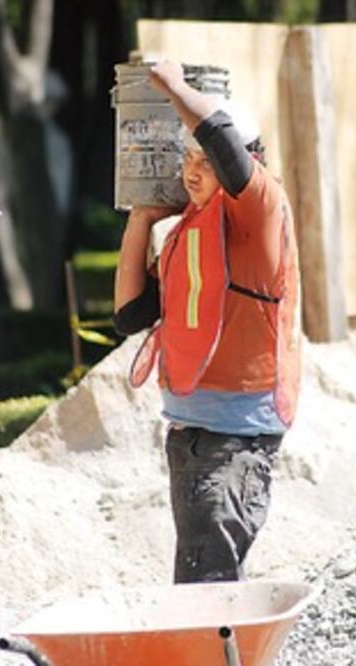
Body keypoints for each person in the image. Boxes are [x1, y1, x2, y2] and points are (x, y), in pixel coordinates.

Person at [113, 61, 302, 584]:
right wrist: (140, 220)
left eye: (205, 161)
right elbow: (130, 315)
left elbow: (222, 139)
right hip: (194, 434)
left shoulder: (260, 208)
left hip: (235, 437)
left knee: (207, 587)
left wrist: (174, 86)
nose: (192, 170)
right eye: (187, 160)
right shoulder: (193, 230)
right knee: (201, 578)